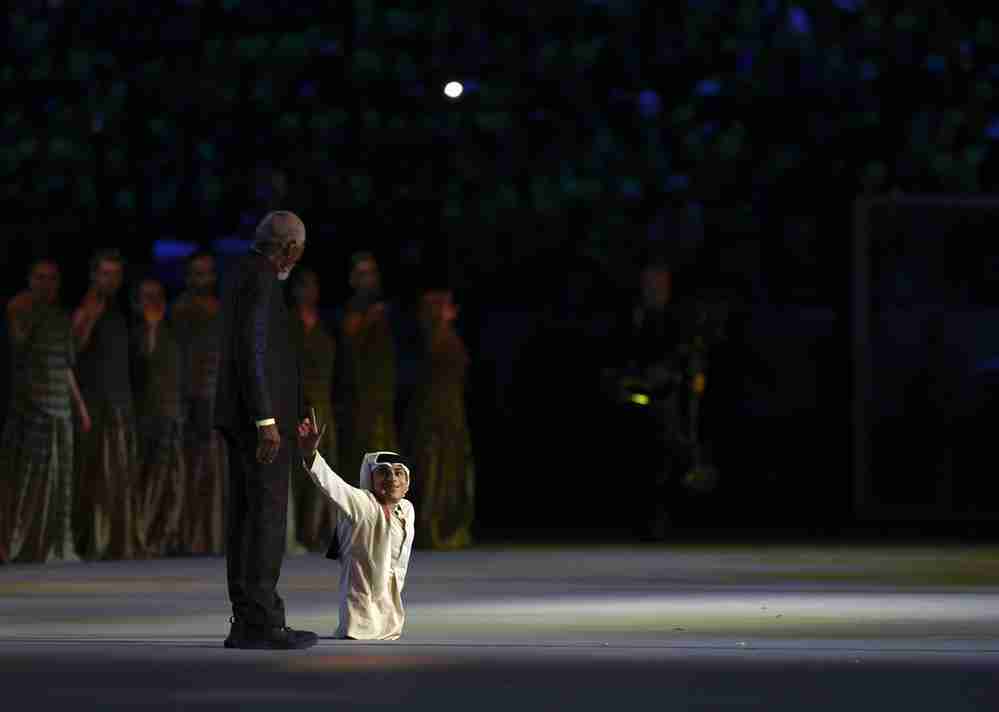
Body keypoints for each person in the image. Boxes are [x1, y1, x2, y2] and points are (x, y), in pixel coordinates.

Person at [215, 211, 316, 650]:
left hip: (245, 419)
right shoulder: (260, 280)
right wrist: (267, 420)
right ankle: (262, 622)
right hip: (258, 425)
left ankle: (246, 620)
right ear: (290, 248)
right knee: (265, 519)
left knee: (246, 518)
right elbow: (252, 353)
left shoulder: (245, 274)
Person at [1, 259, 90, 563]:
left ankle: (56, 544)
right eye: (40, 278)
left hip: (60, 407)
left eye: (52, 279)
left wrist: (80, 407)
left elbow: (65, 365)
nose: (46, 284)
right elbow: (18, 345)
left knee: (61, 481)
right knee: (28, 480)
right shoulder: (19, 309)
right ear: (29, 279)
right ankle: (21, 542)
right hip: (31, 406)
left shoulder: (61, 317)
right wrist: (26, 311)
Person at [298, 413, 415, 641]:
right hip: (360, 599)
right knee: (362, 611)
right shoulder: (362, 503)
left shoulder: (407, 509)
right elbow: (332, 484)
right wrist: (310, 454)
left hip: (391, 605)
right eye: (383, 472)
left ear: (407, 483)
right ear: (370, 479)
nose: (392, 478)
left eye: (398, 473)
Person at [72, 248, 139, 560]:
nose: (111, 280)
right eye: (105, 274)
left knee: (120, 475)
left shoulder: (121, 310)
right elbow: (72, 351)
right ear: (93, 275)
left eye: (116, 275)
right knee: (97, 474)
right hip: (95, 404)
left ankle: (117, 540)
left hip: (120, 402)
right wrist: (89, 318)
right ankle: (94, 541)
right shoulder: (87, 307)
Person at [402, 288, 474, 549]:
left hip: (449, 410)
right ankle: (434, 528)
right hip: (435, 411)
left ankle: (443, 527)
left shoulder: (443, 338)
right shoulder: (433, 340)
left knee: (447, 468)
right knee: (435, 469)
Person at [171, 250, 225, 554]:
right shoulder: (180, 311)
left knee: (215, 469)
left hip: (216, 396)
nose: (201, 279)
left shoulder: (220, 309)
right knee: (190, 469)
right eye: (196, 273)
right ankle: (190, 536)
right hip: (189, 397)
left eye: (206, 273)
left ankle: (213, 535)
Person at [130, 277, 185, 556]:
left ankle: (166, 537)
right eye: (146, 296)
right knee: (149, 480)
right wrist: (151, 326)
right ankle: (145, 537)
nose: (153, 302)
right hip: (148, 417)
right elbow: (144, 360)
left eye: (157, 295)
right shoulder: (138, 332)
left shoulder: (172, 331)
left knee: (173, 481)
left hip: (173, 415)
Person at [288, 266, 338, 552]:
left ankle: (320, 531)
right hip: (297, 406)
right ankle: (298, 533)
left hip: (323, 405)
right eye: (303, 286)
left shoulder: (325, 326)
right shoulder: (287, 326)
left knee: (324, 469)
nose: (308, 292)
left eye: (313, 286)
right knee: (299, 471)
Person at [339, 252, 398, 487]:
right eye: (363, 274)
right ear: (353, 279)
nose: (369, 280)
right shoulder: (354, 315)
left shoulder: (384, 316)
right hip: (360, 409)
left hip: (383, 406)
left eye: (372, 273)